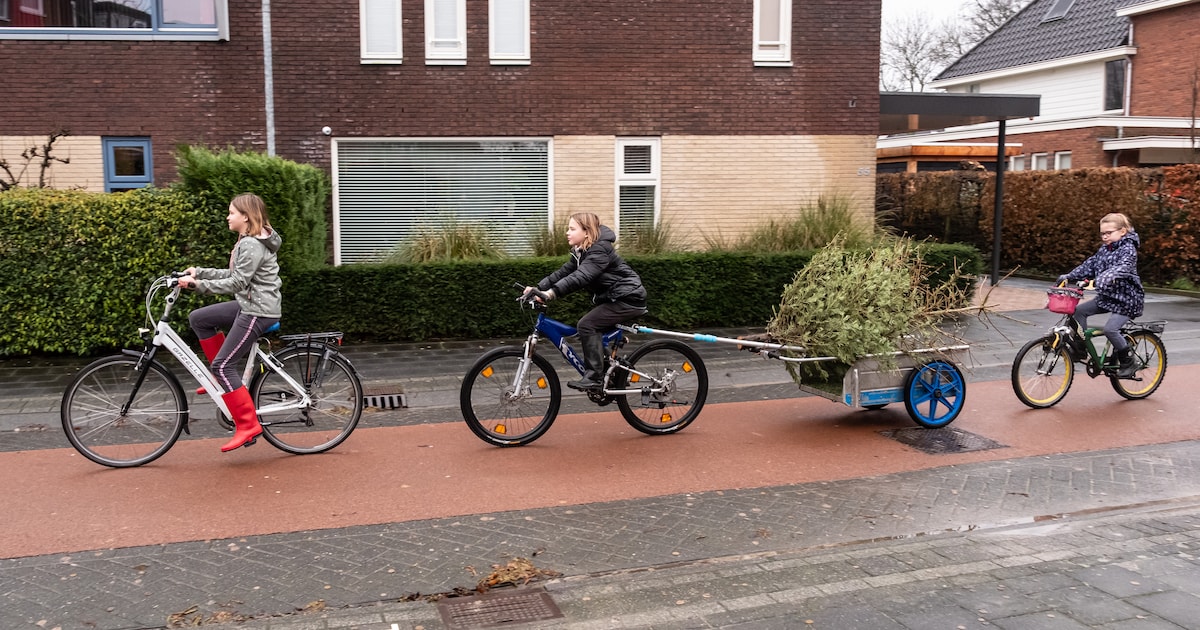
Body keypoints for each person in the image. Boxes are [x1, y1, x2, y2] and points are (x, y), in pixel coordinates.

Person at [178, 193, 283, 452]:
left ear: (245, 217)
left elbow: (237, 283)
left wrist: (198, 285)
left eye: (232, 213)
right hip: (251, 303)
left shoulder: (251, 243)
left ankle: (248, 426)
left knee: (223, 365)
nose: (228, 217)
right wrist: (199, 272)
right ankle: (219, 380)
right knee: (199, 318)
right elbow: (236, 274)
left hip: (258, 309)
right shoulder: (249, 241)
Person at [525, 212, 647, 391]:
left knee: (586, 325)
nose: (567, 232)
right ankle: (610, 373)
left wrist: (551, 293)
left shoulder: (599, 250)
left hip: (628, 299)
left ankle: (595, 377)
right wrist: (537, 288)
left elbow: (580, 277)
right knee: (590, 330)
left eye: (572, 229)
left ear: (587, 232)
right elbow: (563, 273)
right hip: (616, 298)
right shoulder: (582, 251)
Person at [1058, 212, 1144, 379]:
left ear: (1123, 231)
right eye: (1102, 234)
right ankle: (1081, 348)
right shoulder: (1104, 250)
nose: (1105, 237)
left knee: (1111, 329)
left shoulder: (1129, 250)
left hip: (1127, 300)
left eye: (1109, 233)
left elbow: (1119, 269)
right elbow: (1089, 265)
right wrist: (1069, 276)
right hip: (1107, 298)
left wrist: (1098, 280)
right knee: (1078, 312)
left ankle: (1129, 361)